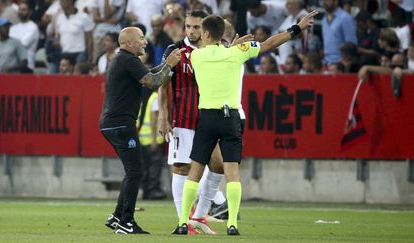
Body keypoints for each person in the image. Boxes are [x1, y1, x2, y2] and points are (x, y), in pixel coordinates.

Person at [171, 10, 318, 235]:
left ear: (207, 35)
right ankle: (232, 224)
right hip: (231, 118)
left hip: (206, 118)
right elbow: (269, 44)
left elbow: (206, 52)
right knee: (232, 173)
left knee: (195, 171)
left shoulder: (196, 56)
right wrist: (296, 28)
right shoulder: (237, 53)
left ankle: (183, 222)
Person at [99, 26, 184, 234]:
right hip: (121, 124)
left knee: (132, 172)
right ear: (128, 43)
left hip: (112, 123)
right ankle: (126, 222)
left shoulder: (123, 60)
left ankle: (118, 216)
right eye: (141, 38)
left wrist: (165, 65)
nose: (145, 42)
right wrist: (170, 65)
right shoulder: (128, 60)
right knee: (136, 172)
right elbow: (154, 81)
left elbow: (151, 73)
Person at [158, 10, 222, 235]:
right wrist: (163, 117)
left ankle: (199, 216)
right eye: (189, 27)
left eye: (197, 27)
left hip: (210, 118)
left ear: (206, 30)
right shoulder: (174, 51)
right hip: (183, 119)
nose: (193, 31)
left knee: (219, 165)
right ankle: (183, 221)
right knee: (182, 168)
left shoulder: (216, 49)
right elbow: (163, 85)